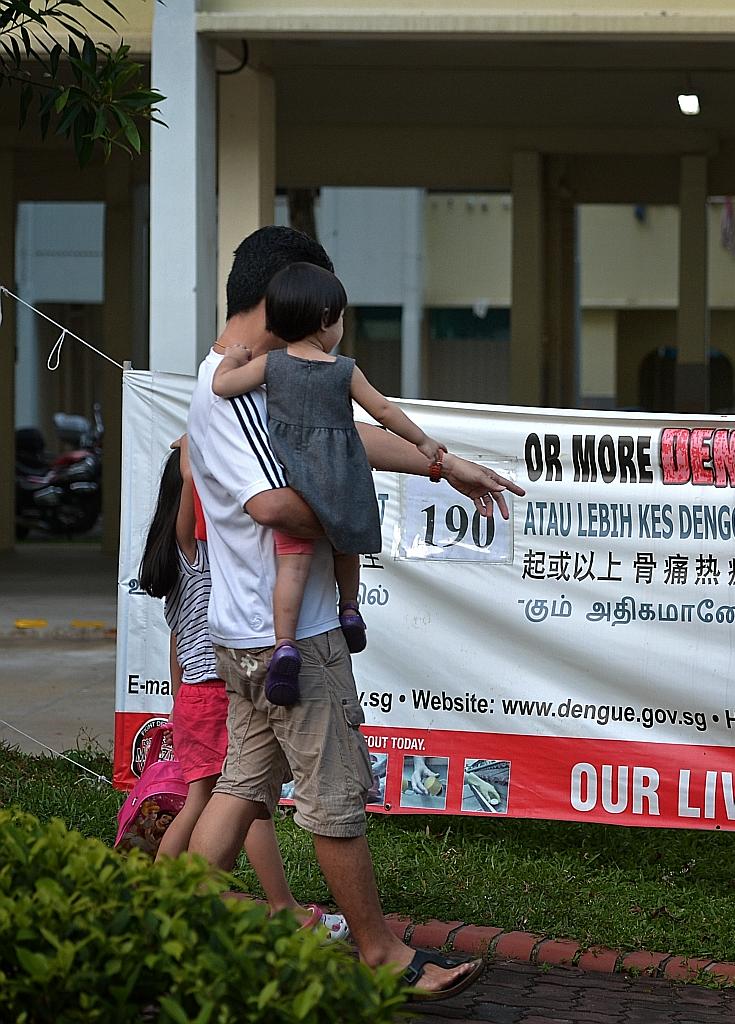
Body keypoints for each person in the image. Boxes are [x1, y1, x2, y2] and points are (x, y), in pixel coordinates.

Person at [186, 225, 521, 1000]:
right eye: (322, 306)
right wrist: (351, 518)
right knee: (334, 795)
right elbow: (280, 505)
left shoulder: (252, 377)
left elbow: (344, 432)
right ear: (285, 299)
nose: (330, 325)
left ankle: (168, 924)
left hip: (245, 635)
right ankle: (381, 955)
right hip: (293, 640)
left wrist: (442, 464)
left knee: (242, 785)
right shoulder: (229, 392)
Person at [137, 439, 347, 941]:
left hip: (194, 697)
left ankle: (160, 897)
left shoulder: (179, 569)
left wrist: (175, 707)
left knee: (220, 798)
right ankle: (270, 904)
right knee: (238, 799)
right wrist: (196, 453)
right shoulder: (195, 556)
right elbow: (193, 486)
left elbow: (175, 651)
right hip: (211, 696)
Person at [211, 262, 445, 706]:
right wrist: (423, 442)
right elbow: (384, 412)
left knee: (293, 566)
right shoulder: (344, 369)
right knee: (346, 543)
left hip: (294, 480)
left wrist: (234, 357)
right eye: (339, 317)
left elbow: (222, 387)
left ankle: (283, 644)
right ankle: (350, 608)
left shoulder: (270, 366)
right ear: (324, 320)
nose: (341, 325)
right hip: (342, 478)